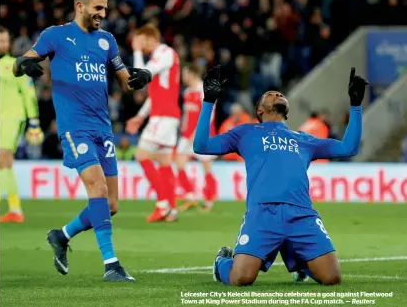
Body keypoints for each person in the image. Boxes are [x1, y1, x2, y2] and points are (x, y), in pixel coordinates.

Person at [13, 0, 152, 282]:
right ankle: (111, 265)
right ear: (80, 6)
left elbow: (125, 80)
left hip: (103, 129)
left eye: (105, 8)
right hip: (75, 129)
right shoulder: (56, 36)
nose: (103, 14)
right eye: (98, 8)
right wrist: (24, 64)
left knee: (110, 205)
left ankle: (61, 236)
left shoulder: (106, 41)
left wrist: (140, 79)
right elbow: (20, 63)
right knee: (97, 190)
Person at [193, 66, 368, 286]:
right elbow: (201, 145)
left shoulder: (304, 139)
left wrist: (355, 106)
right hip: (263, 213)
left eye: (280, 94)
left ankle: (301, 264)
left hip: (301, 214)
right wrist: (208, 101)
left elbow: (348, 148)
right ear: (259, 111)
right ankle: (221, 263)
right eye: (270, 94)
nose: (277, 94)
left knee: (332, 277)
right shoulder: (245, 133)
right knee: (241, 278)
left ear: (287, 110)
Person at [126, 24, 181, 223]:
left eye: (140, 39)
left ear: (148, 38)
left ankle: (162, 204)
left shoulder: (165, 52)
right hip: (166, 115)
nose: (137, 43)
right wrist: (141, 116)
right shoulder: (163, 55)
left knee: (141, 155)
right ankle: (171, 209)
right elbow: (154, 94)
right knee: (165, 163)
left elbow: (141, 75)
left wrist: (137, 51)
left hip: (163, 117)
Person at [0, 26, 44, 223]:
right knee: (3, 164)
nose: (3, 44)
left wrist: (34, 121)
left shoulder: (16, 64)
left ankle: (14, 209)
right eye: (0, 41)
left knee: (2, 158)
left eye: (5, 41)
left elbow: (28, 93)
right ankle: (14, 209)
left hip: (13, 117)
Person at [176, 65, 218, 212]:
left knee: (206, 167)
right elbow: (187, 113)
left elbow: (210, 114)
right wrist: (184, 126)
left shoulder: (205, 90)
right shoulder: (187, 92)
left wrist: (197, 132)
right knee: (179, 162)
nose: (182, 77)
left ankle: (208, 200)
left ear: (192, 74)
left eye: (185, 73)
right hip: (187, 134)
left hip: (203, 134)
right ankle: (190, 195)